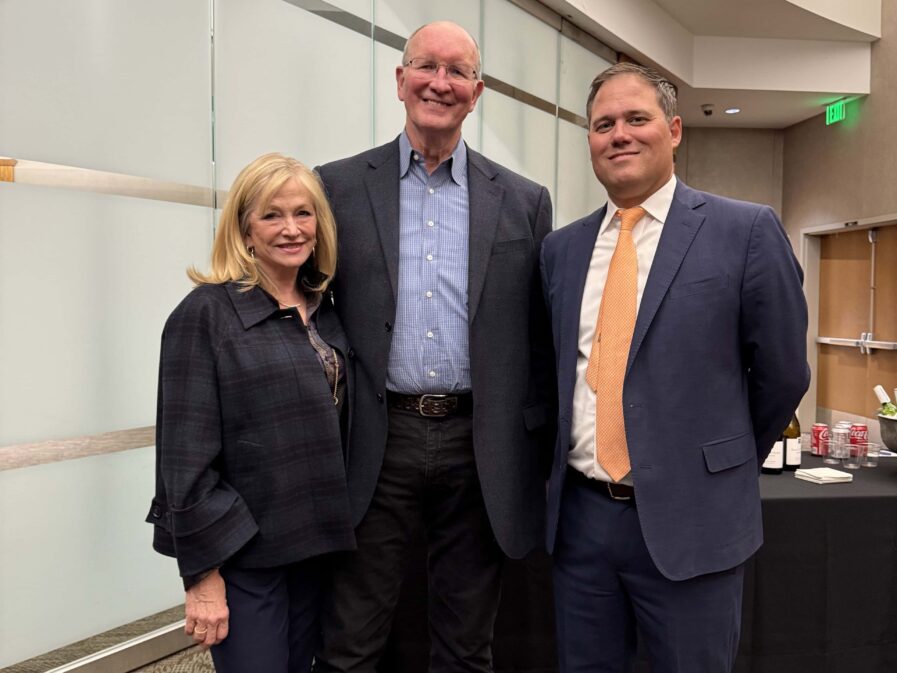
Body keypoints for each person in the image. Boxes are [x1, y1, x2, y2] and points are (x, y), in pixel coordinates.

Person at [540, 62, 810, 672]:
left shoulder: (745, 231)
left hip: (695, 523)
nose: (620, 135)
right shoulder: (562, 250)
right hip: (581, 524)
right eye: (603, 124)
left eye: (637, 118)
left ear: (675, 130)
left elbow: (784, 374)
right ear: (589, 140)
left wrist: (717, 459)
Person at [313, 20, 555, 673]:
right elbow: (308, 305)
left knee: (466, 640)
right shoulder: (333, 187)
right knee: (350, 637)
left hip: (479, 442)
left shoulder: (525, 202)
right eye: (426, 66)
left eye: (456, 73)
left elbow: (536, 335)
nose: (439, 83)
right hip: (375, 435)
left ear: (475, 93)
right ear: (400, 80)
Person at [146, 153, 355, 673]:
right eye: (272, 215)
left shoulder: (324, 308)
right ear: (245, 230)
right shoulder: (207, 316)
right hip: (245, 558)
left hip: (316, 549)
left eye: (303, 214)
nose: (291, 229)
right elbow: (183, 463)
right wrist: (202, 579)